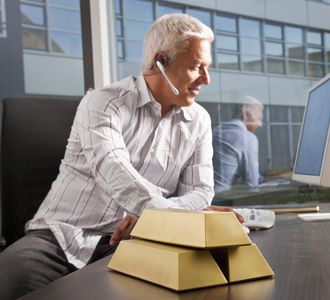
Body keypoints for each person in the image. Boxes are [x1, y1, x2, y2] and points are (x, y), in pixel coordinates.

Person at [0, 13, 243, 299]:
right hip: (60, 237)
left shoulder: (199, 120)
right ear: (159, 61)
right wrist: (159, 216)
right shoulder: (103, 102)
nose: (206, 79)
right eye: (195, 66)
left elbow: (201, 192)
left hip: (136, 240)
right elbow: (117, 175)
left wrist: (152, 220)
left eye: (207, 67)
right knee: (11, 279)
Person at [212, 96, 264, 193]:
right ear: (245, 115)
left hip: (202, 197)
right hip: (222, 200)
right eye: (258, 118)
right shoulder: (247, 137)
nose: (260, 124)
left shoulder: (216, 131)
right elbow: (252, 183)